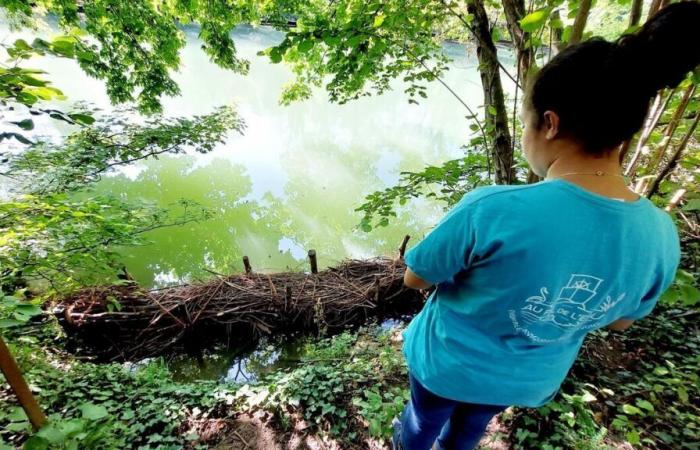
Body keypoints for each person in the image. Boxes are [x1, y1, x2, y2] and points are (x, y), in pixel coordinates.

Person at [392, 2, 700, 449]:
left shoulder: (492, 209)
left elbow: (415, 277)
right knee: (471, 428)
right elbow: (619, 323)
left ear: (550, 124)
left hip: (446, 366)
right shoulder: (661, 236)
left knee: (422, 423)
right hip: (525, 381)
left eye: (525, 122)